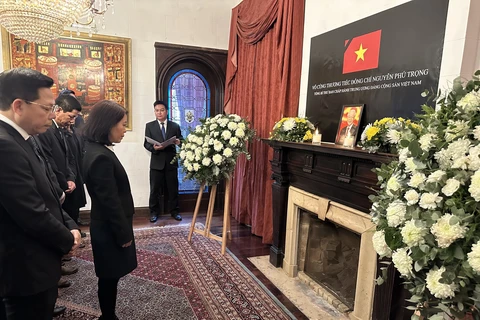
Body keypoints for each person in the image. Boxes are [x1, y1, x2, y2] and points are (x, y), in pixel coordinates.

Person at [0, 67, 81, 320]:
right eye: (46, 108)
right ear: (19, 106)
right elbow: (31, 212)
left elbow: (47, 188)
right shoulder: (5, 145)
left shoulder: (25, 137)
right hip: (24, 268)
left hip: (36, 262)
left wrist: (69, 223)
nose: (51, 114)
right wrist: (68, 239)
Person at [82, 100, 137, 320]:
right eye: (122, 125)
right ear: (107, 125)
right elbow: (110, 202)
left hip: (107, 224)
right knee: (108, 276)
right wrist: (123, 234)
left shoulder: (96, 149)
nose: (124, 130)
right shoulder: (100, 157)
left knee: (109, 275)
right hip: (109, 227)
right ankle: (108, 316)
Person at [144, 100, 182, 222]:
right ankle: (154, 213)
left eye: (162, 110)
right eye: (157, 110)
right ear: (154, 112)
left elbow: (181, 140)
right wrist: (154, 148)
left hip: (171, 162)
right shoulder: (149, 126)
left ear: (166, 111)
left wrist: (179, 142)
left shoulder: (174, 126)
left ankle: (175, 211)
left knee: (173, 189)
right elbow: (146, 143)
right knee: (154, 189)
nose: (159, 113)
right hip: (156, 163)